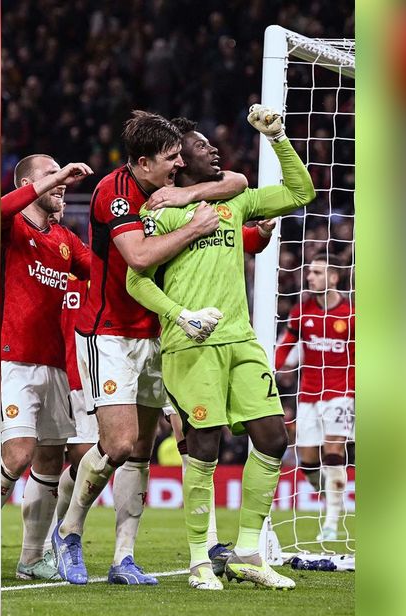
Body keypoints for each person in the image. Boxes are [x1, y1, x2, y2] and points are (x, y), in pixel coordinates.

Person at [54, 110, 255, 586]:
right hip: (111, 332)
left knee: (142, 449)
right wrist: (194, 227)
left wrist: (188, 193)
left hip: (161, 333)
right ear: (142, 164)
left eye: (181, 157)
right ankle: (68, 532)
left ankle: (124, 557)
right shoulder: (114, 191)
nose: (178, 163)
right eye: (170, 159)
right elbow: (139, 258)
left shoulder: (174, 185)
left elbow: (240, 181)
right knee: (119, 444)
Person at [126, 104, 314, 590]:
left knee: (273, 438)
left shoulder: (235, 204)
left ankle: (249, 551)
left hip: (240, 338)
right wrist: (180, 316)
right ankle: (198, 560)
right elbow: (136, 280)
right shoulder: (163, 213)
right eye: (201, 146)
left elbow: (301, 191)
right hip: (191, 343)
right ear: (179, 161)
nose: (213, 149)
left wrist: (278, 138)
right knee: (203, 448)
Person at [0, 156, 93, 581]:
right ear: (27, 183)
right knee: (17, 454)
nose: (62, 186)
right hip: (10, 358)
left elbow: (101, 270)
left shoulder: (64, 239)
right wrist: (56, 177)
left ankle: (32, 558)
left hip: (53, 363)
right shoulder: (12, 228)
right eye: (51, 177)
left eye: (62, 180)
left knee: (50, 459)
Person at [274, 256, 355, 542]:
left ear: (333, 278)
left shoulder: (351, 314)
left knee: (333, 452)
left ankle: (331, 523)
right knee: (307, 462)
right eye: (309, 272)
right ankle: (335, 499)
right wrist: (272, 369)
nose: (310, 277)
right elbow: (286, 344)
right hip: (308, 394)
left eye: (317, 272)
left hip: (342, 393)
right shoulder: (301, 311)